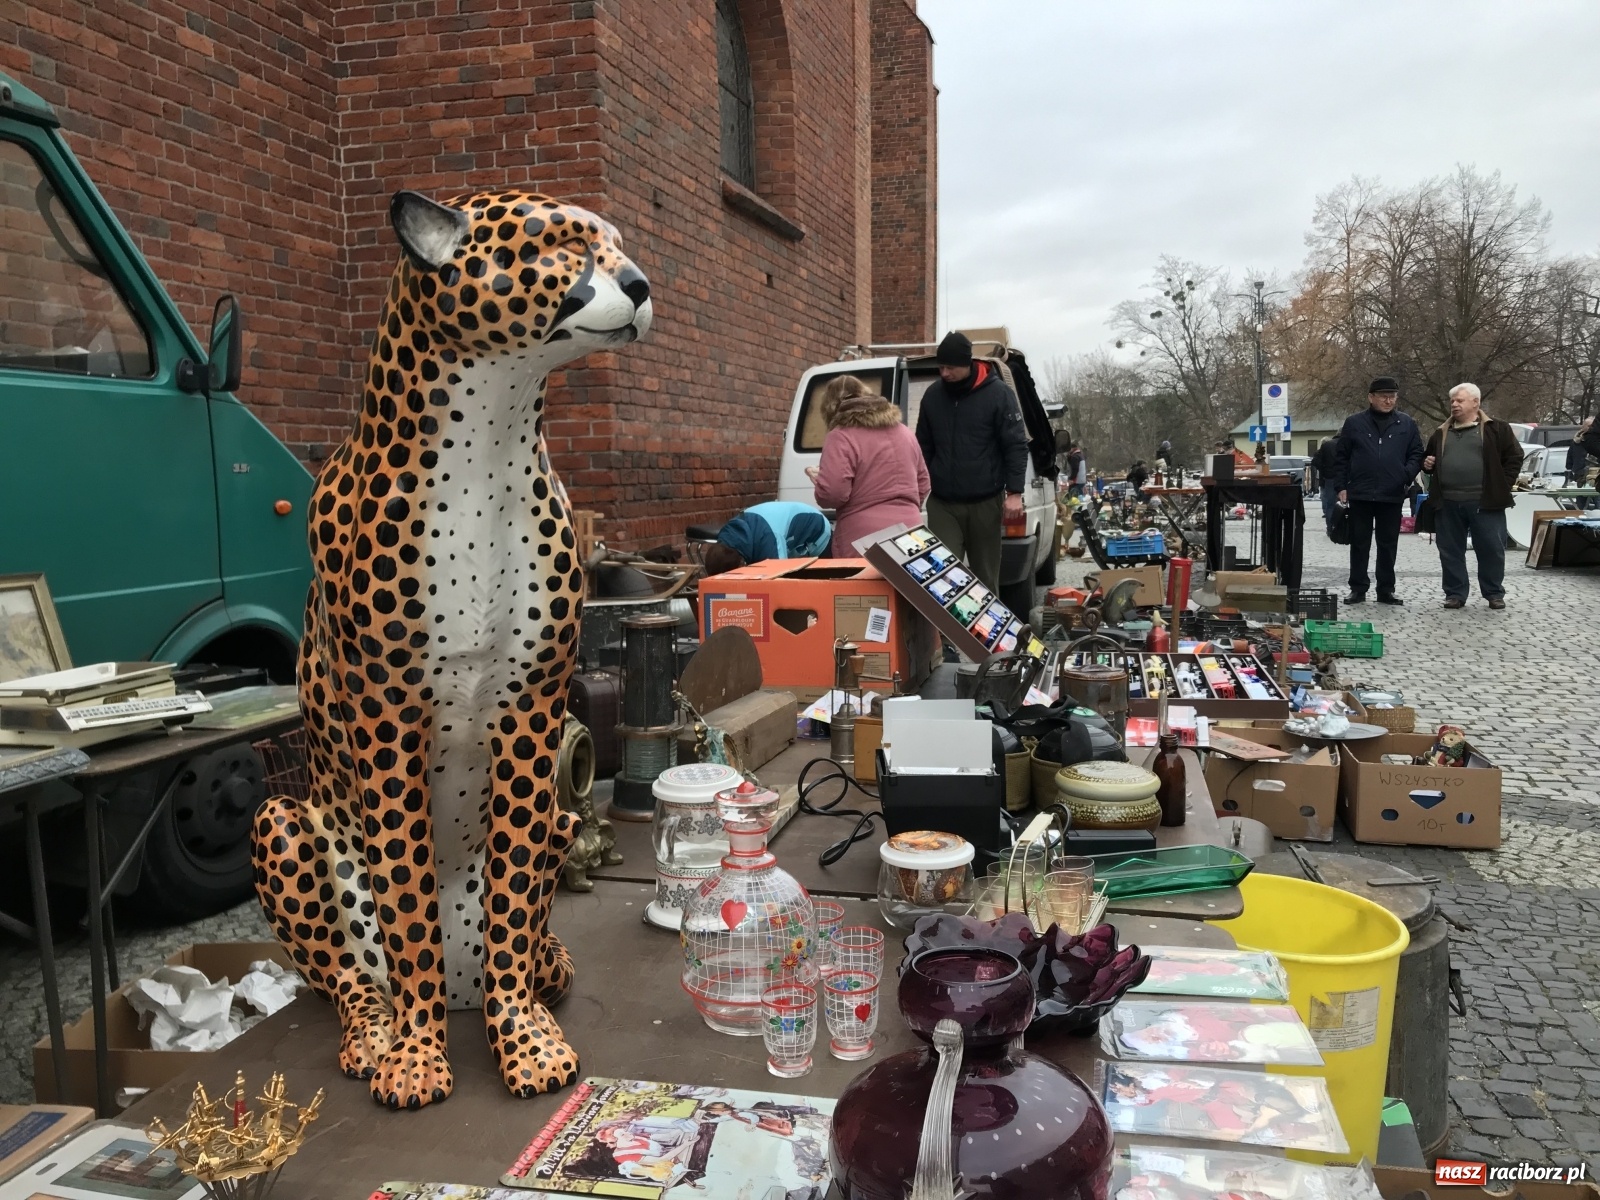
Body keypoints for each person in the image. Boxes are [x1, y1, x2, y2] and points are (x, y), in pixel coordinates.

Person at [913, 331, 1029, 593]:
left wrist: (1015, 492)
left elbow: (1015, 445)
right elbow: (923, 447)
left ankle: (988, 634)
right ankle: (944, 636)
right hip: (943, 502)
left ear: (968, 364)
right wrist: (918, 488)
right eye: (940, 367)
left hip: (985, 501)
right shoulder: (933, 396)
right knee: (941, 578)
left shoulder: (998, 394)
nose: (944, 373)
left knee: (986, 579)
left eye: (950, 367)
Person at [1419, 383, 1523, 610]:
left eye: (1460, 400)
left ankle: (1494, 593)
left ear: (1475, 402)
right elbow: (1428, 462)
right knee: (1449, 551)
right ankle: (1455, 593)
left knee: (1491, 549)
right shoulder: (1440, 433)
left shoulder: (1496, 429)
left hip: (1485, 502)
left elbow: (1515, 457)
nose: (1454, 405)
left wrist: (1502, 485)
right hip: (1447, 502)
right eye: (1452, 401)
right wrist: (1427, 465)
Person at [803, 374, 929, 556]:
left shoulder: (841, 435)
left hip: (864, 538)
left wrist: (821, 481)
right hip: (911, 530)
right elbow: (923, 483)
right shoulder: (904, 432)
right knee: (907, 583)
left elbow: (833, 494)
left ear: (829, 407)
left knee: (864, 585)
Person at [1328, 377, 1423, 604]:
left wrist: (1405, 475)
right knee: (1360, 543)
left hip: (1391, 493)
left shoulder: (1406, 424)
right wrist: (1341, 486)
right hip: (1360, 492)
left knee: (1388, 544)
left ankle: (1385, 589)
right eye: (1383, 396)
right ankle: (1358, 588)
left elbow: (1416, 453)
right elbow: (1341, 457)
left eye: (1392, 396)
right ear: (1371, 397)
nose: (1388, 400)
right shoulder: (1354, 423)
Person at [702, 501, 831, 575]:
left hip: (817, 533)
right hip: (777, 528)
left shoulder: (769, 541)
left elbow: (781, 578)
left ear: (742, 562)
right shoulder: (727, 538)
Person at [1309, 437, 1339, 532]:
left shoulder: (1327, 446)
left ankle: (1330, 529)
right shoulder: (1346, 444)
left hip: (1329, 478)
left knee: (1330, 504)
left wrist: (1324, 469)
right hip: (1344, 477)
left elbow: (1315, 461)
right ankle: (1342, 528)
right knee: (1345, 504)